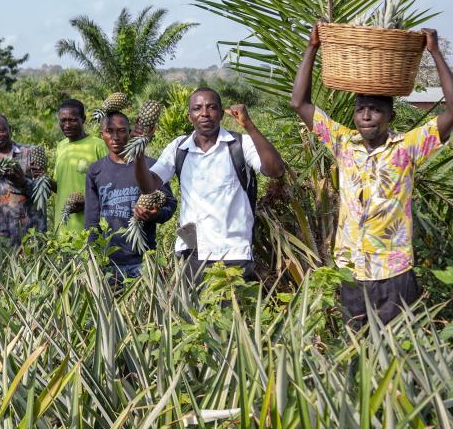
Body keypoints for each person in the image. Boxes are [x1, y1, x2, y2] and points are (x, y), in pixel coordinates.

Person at [290, 24, 453, 328]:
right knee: (356, 352)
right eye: (361, 110)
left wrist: (434, 52)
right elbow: (299, 104)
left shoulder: (408, 147)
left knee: (397, 352)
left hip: (394, 270)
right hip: (352, 270)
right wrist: (312, 48)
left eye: (375, 110)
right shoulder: (343, 143)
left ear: (391, 117)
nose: (367, 116)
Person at [133, 88, 286, 290]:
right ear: (190, 117)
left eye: (211, 107)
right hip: (191, 255)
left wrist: (249, 125)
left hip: (233, 255)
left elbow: (275, 170)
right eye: (197, 108)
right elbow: (148, 185)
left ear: (221, 114)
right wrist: (138, 149)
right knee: (192, 320)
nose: (204, 113)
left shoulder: (239, 144)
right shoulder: (179, 147)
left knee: (231, 320)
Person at [85, 111, 174, 281]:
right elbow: (91, 218)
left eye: (121, 130)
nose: (115, 137)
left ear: (130, 131)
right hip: (108, 261)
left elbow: (170, 204)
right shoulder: (95, 170)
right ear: (101, 134)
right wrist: (92, 258)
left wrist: (155, 215)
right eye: (109, 131)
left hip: (144, 259)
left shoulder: (150, 165)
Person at [0, 113, 43, 245]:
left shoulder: (30, 153)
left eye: (0, 130)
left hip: (28, 234)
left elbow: (43, 193)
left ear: (9, 129)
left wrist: (23, 182)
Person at [51, 99, 108, 232]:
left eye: (72, 120)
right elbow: (60, 187)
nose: (67, 125)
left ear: (83, 119)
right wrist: (42, 178)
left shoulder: (98, 145)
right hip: (63, 228)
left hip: (90, 227)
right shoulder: (61, 146)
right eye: (63, 120)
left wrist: (87, 204)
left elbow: (110, 186)